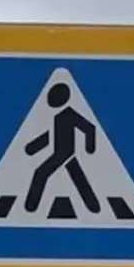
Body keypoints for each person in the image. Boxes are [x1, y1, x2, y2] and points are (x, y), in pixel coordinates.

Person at [23, 81, 101, 213]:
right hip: (64, 154)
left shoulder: (70, 114)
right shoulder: (57, 117)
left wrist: (90, 147)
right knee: (79, 179)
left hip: (64, 153)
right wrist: (33, 147)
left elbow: (89, 128)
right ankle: (94, 206)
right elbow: (51, 136)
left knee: (41, 173)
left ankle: (30, 208)